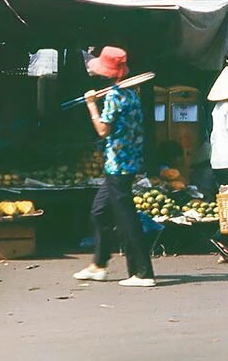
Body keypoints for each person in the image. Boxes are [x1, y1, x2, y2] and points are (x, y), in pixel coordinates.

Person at [72, 46, 155, 287]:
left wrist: (91, 105)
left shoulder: (115, 96)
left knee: (127, 219)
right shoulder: (131, 94)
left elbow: (102, 129)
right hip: (123, 163)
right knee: (99, 211)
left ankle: (142, 272)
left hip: (119, 165)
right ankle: (99, 263)